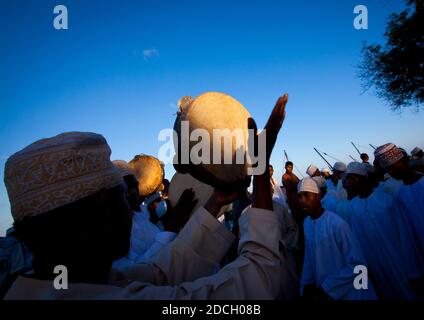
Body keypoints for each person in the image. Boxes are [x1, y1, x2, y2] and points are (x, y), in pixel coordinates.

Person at [6, 93, 295, 300]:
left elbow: (160, 274)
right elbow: (261, 284)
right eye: (119, 197)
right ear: (85, 219)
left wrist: (216, 198)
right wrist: (258, 173)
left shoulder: (75, 280)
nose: (130, 206)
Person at [343, 162, 415, 299]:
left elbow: (405, 236)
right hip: (377, 268)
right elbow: (356, 245)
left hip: (401, 261)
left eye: (353, 177)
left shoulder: (386, 200)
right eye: (348, 178)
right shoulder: (352, 208)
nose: (349, 182)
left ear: (363, 178)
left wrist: (414, 269)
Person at [299, 177, 376, 300]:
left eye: (307, 195)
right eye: (300, 196)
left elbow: (358, 264)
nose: (302, 200)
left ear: (318, 197)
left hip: (351, 292)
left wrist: (328, 287)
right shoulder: (307, 223)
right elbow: (309, 257)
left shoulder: (337, 224)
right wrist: (306, 284)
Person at [375, 143, 424, 297]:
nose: (391, 171)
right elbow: (407, 237)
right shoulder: (399, 196)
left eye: (392, 166)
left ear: (403, 160)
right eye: (387, 169)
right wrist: (414, 273)